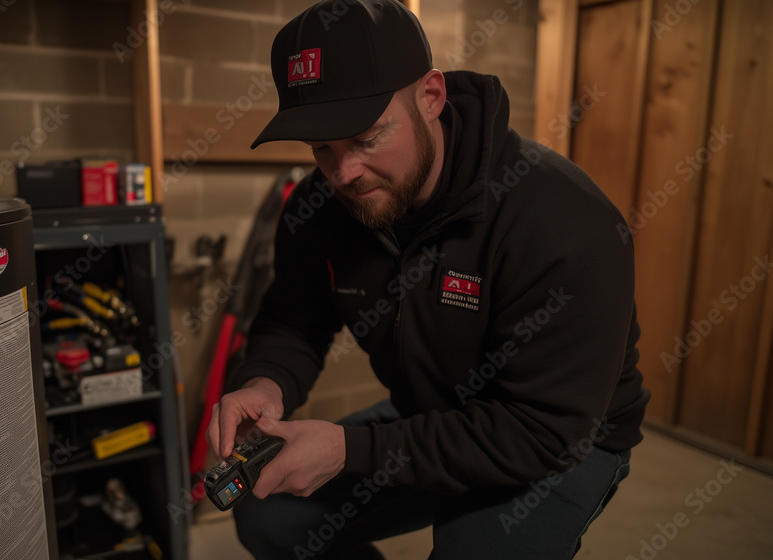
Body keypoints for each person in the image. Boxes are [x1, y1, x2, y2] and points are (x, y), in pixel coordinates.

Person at [206, 1, 650, 558]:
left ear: (431, 97)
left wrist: (347, 450)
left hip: (557, 437)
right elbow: (294, 319)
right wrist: (264, 382)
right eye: (322, 147)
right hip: (432, 411)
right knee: (269, 512)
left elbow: (539, 431)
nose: (343, 173)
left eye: (366, 138)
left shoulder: (565, 221)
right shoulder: (317, 209)